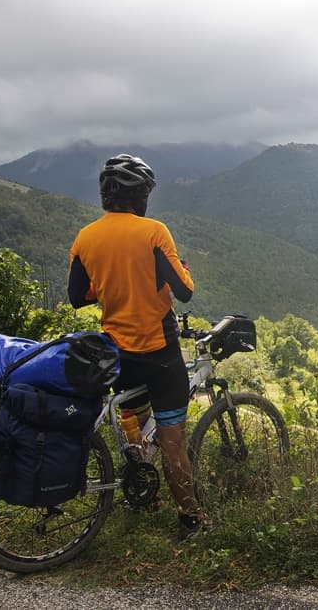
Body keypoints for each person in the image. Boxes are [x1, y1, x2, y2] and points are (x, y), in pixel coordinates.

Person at [67, 153, 203, 540]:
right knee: (173, 440)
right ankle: (189, 519)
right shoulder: (153, 232)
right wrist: (181, 270)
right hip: (160, 354)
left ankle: (140, 490)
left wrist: (111, 283)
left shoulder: (86, 237)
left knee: (133, 424)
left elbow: (78, 296)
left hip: (117, 354)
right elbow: (185, 291)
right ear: (140, 195)